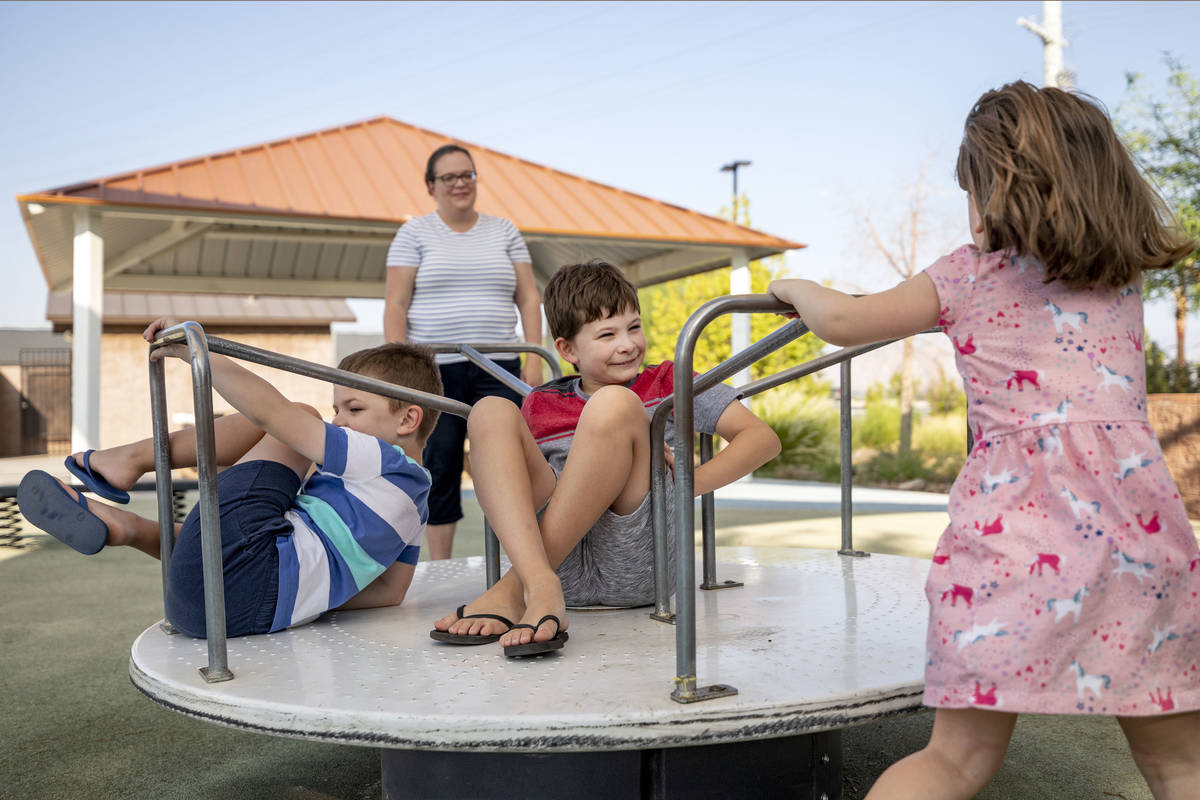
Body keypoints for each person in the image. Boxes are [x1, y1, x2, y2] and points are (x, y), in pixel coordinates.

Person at [769, 81, 1199, 800]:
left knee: (955, 760)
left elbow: (844, 321)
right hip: (1140, 543)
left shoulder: (967, 276)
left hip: (1018, 548)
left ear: (1003, 191)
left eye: (970, 190)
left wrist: (798, 287)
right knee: (1180, 763)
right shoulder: (1124, 281)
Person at [430, 259, 781, 657]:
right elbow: (516, 481)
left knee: (614, 403)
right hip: (553, 571)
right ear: (567, 349)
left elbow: (761, 439)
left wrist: (685, 484)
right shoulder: (544, 402)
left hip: (638, 565)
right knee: (489, 409)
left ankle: (513, 591)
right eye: (607, 334)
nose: (627, 344)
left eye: (634, 327)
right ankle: (537, 584)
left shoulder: (668, 381)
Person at [19, 322, 443, 638]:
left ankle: (130, 458)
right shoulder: (416, 502)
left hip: (228, 585)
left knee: (299, 415)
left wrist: (200, 353)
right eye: (338, 409)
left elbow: (273, 414)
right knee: (257, 537)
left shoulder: (381, 459)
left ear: (408, 418)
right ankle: (128, 528)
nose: (339, 420)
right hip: (222, 613)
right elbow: (390, 591)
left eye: (353, 409)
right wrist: (309, 598)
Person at [383, 143, 543, 562]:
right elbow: (396, 304)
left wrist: (531, 359)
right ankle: (440, 565)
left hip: (499, 364)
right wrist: (401, 370)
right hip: (436, 367)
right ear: (431, 186)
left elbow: (529, 297)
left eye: (467, 175)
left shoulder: (504, 230)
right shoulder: (414, 233)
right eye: (449, 177)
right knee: (440, 464)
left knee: (509, 461)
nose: (460, 184)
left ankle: (519, 559)